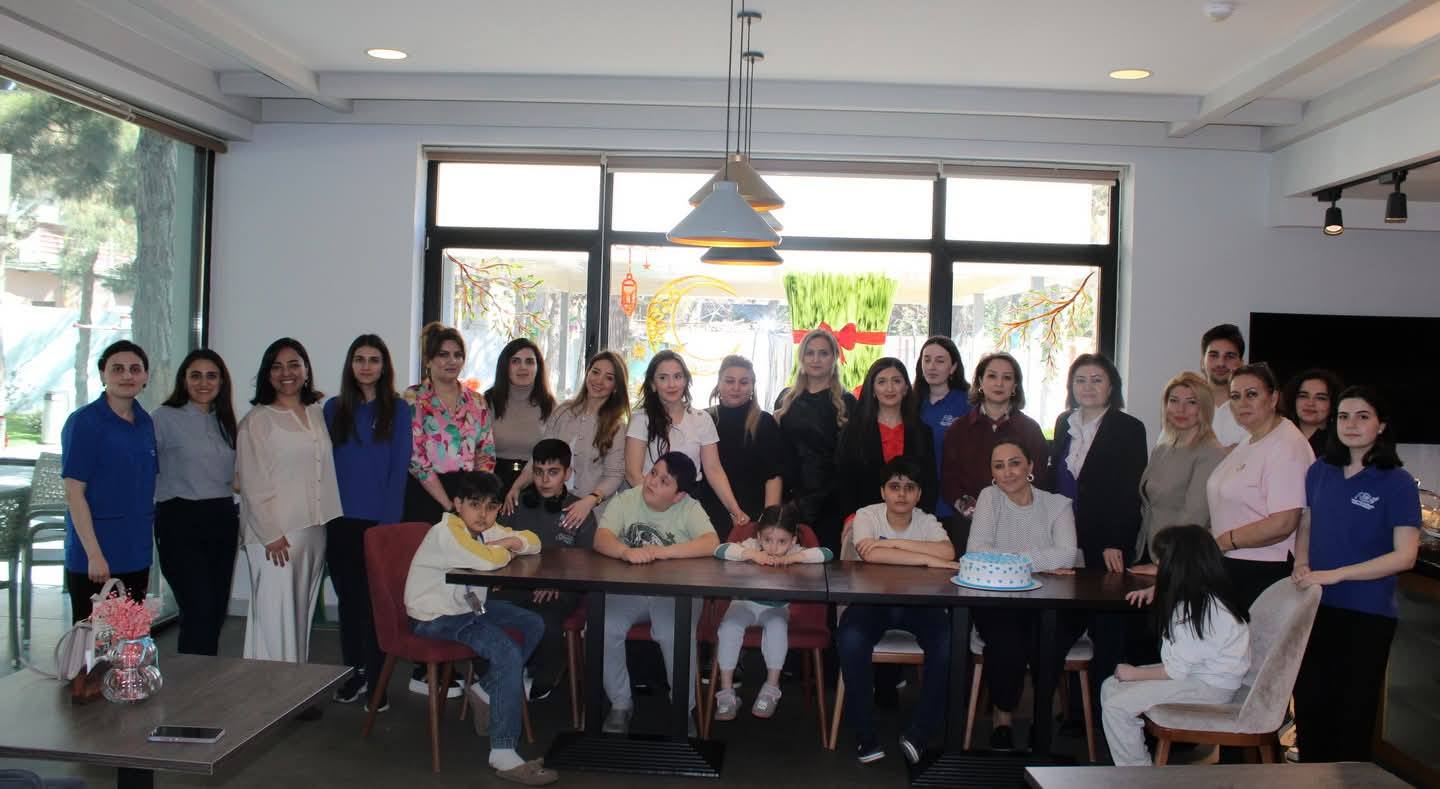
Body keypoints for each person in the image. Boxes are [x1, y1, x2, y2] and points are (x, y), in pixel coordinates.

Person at [403, 471, 556, 786]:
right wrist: (507, 548)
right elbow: (487, 561)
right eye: (474, 505)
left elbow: (534, 541)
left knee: (532, 622)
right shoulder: (447, 532)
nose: (483, 515)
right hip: (434, 617)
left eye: (491, 507)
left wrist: (511, 541)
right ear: (457, 504)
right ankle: (503, 752)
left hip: (467, 609)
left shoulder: (486, 529)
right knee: (507, 651)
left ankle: (485, 689)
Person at [1292, 386, 1419, 764]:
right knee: (1311, 709)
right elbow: (1306, 524)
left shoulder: (1397, 481)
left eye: (1363, 416)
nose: (1351, 424)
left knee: (1352, 717)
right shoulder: (1320, 471)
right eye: (1343, 416)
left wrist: (1338, 574)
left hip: (1367, 615)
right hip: (1315, 608)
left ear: (1381, 426)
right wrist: (1301, 563)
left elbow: (1405, 556)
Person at [836, 457, 957, 765]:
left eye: (909, 487)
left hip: (920, 605)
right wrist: (926, 559)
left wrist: (890, 546)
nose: (901, 494)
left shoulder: (926, 521)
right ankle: (864, 734)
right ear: (883, 491)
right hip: (871, 602)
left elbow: (948, 552)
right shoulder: (867, 515)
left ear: (919, 494)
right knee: (850, 639)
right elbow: (870, 554)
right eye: (894, 487)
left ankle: (920, 733)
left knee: (949, 642)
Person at [1101, 525, 1251, 767]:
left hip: (1209, 687)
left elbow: (1175, 671)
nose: (1157, 567)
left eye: (1162, 562)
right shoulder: (1202, 597)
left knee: (1116, 705)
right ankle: (1132, 764)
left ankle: (1137, 774)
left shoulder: (1199, 610)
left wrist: (1134, 673)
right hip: (1199, 676)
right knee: (1111, 687)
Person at [967, 440, 1083, 751]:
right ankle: (1002, 720)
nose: (1007, 472)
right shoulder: (989, 498)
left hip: (1052, 598)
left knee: (1048, 638)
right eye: (999, 466)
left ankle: (1039, 721)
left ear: (1030, 466)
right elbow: (976, 551)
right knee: (1007, 640)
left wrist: (1006, 558)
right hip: (999, 597)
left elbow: (1067, 555)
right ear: (992, 472)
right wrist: (1041, 561)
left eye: (1015, 463)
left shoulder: (1057, 504)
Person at [593, 452, 719, 735]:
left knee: (673, 633)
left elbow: (711, 543)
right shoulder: (627, 499)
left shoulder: (689, 507)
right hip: (629, 589)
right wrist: (625, 551)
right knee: (602, 626)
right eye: (653, 473)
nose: (652, 482)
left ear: (678, 495)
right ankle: (620, 704)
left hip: (676, 594)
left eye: (664, 481)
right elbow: (602, 538)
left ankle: (682, 708)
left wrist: (663, 552)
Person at [236, 337, 342, 666]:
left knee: (299, 615)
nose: (287, 373)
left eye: (294, 365)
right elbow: (250, 482)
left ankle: (294, 682)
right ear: (267, 374)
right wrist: (271, 534)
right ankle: (270, 686)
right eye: (277, 366)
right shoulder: (258, 419)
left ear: (306, 370)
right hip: (276, 536)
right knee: (274, 618)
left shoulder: (315, 413)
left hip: (313, 529)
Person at [323, 335, 412, 708]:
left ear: (384, 366)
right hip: (340, 521)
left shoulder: (399, 410)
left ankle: (378, 681)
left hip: (379, 524)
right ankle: (354, 672)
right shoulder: (333, 409)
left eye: (374, 360)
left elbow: (399, 469)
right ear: (350, 365)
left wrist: (386, 527)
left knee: (376, 605)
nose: (366, 366)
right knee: (349, 602)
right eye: (359, 359)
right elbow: (324, 466)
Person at [493, 438, 598, 701]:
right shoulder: (516, 504)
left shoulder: (579, 510)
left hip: (562, 588)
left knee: (545, 620)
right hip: (519, 583)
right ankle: (497, 672)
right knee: (481, 610)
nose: (544, 480)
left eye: (553, 472)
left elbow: (587, 563)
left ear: (568, 473)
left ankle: (543, 677)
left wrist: (556, 581)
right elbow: (499, 547)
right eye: (538, 472)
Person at [60, 340, 157, 623]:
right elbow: (74, 493)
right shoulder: (85, 422)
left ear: (145, 376)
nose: (127, 375)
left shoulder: (145, 422)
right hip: (96, 558)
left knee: (128, 637)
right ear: (103, 374)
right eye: (117, 369)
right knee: (94, 641)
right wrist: (94, 554)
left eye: (135, 369)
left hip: (136, 553)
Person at [152, 348, 239, 655]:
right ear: (184, 380)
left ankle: (205, 675)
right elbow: (143, 467)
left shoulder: (225, 420)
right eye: (196, 376)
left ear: (221, 381)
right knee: (198, 608)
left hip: (222, 519)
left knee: (215, 610)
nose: (204, 383)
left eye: (211, 376)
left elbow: (235, 476)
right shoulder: (163, 418)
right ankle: (192, 678)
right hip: (179, 521)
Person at [711, 504, 833, 722]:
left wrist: (792, 558)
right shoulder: (751, 546)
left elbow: (826, 554)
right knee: (728, 627)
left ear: (793, 540)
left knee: (777, 627)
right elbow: (720, 550)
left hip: (776, 609)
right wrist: (750, 554)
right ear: (758, 537)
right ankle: (726, 691)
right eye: (768, 540)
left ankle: (771, 688)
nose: (774, 548)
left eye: (782, 542)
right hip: (743, 604)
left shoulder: (795, 552)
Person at [1206, 363, 1314, 607]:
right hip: (1233, 562)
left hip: (1264, 567)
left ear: (1273, 398)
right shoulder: (1251, 439)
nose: (1242, 403)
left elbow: (1283, 523)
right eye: (1235, 396)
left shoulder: (1286, 445)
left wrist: (1223, 541)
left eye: (1252, 394)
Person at [625, 350, 749, 530]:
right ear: (653, 384)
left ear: (686, 381)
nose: (671, 384)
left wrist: (735, 509)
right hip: (648, 503)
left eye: (677, 376)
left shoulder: (702, 419)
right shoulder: (641, 419)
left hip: (690, 503)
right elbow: (632, 473)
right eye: (663, 378)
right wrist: (659, 503)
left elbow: (714, 470)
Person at [505, 350, 629, 524]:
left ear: (616, 386)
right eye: (595, 372)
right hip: (551, 508)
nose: (599, 381)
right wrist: (517, 486)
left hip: (591, 514)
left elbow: (615, 475)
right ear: (587, 373)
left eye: (609, 378)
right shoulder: (563, 411)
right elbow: (540, 456)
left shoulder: (616, 426)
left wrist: (591, 500)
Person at [940, 352, 1049, 529]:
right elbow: (949, 481)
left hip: (1019, 524)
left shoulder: (1030, 430)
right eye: (992, 376)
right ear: (980, 382)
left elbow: (1040, 478)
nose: (999, 383)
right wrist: (973, 511)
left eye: (1007, 378)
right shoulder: (958, 429)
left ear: (1014, 386)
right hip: (969, 526)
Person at [403, 322, 496, 524]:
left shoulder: (477, 401)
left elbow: (487, 453)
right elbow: (416, 458)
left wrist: (474, 500)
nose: (452, 361)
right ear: (428, 360)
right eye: (443, 354)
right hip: (426, 493)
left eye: (458, 355)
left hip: (468, 496)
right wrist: (449, 505)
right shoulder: (414, 397)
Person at [1133, 372, 1226, 573]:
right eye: (1174, 401)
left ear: (1204, 408)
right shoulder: (1162, 449)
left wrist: (1166, 563)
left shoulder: (1211, 452)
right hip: (1148, 552)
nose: (1180, 409)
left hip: (1180, 560)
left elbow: (1194, 515)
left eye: (1191, 402)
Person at [775, 328, 856, 552]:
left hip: (830, 502)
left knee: (826, 565)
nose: (816, 359)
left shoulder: (848, 403)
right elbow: (779, 454)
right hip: (790, 499)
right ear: (802, 357)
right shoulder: (785, 399)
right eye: (810, 353)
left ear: (835, 357)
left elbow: (848, 461)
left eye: (823, 353)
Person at [836, 357, 937, 519]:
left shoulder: (922, 432)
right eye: (881, 382)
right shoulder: (853, 432)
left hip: (912, 521)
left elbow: (929, 483)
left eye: (896, 381)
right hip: (865, 520)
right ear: (872, 389)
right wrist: (851, 518)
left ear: (905, 388)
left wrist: (923, 519)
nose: (889, 388)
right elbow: (844, 481)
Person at [697, 355, 782, 541]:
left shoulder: (764, 422)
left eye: (744, 382)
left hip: (752, 517)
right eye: (729, 381)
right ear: (719, 383)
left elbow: (773, 477)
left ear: (752, 386)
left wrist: (768, 522)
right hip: (706, 516)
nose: (736, 388)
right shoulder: (703, 419)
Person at [486, 338, 556, 493]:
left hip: (536, 483)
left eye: (529, 361)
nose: (523, 367)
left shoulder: (550, 405)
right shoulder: (487, 402)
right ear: (505, 366)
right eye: (515, 361)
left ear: (538, 367)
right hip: (493, 483)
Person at [915, 337, 970, 524]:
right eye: (927, 360)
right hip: (916, 503)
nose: (931, 367)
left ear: (953, 367)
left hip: (955, 504)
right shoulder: (911, 402)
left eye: (940, 361)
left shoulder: (967, 403)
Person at [1200, 324, 1247, 447]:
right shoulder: (1185, 407)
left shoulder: (1253, 409)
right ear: (1202, 363)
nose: (1221, 363)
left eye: (1230, 356)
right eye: (1214, 355)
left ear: (1241, 364)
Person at [1282, 369, 1342, 457]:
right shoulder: (1279, 435)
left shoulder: (1341, 444)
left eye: (1320, 398)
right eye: (1303, 396)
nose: (1310, 403)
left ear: (1333, 404)